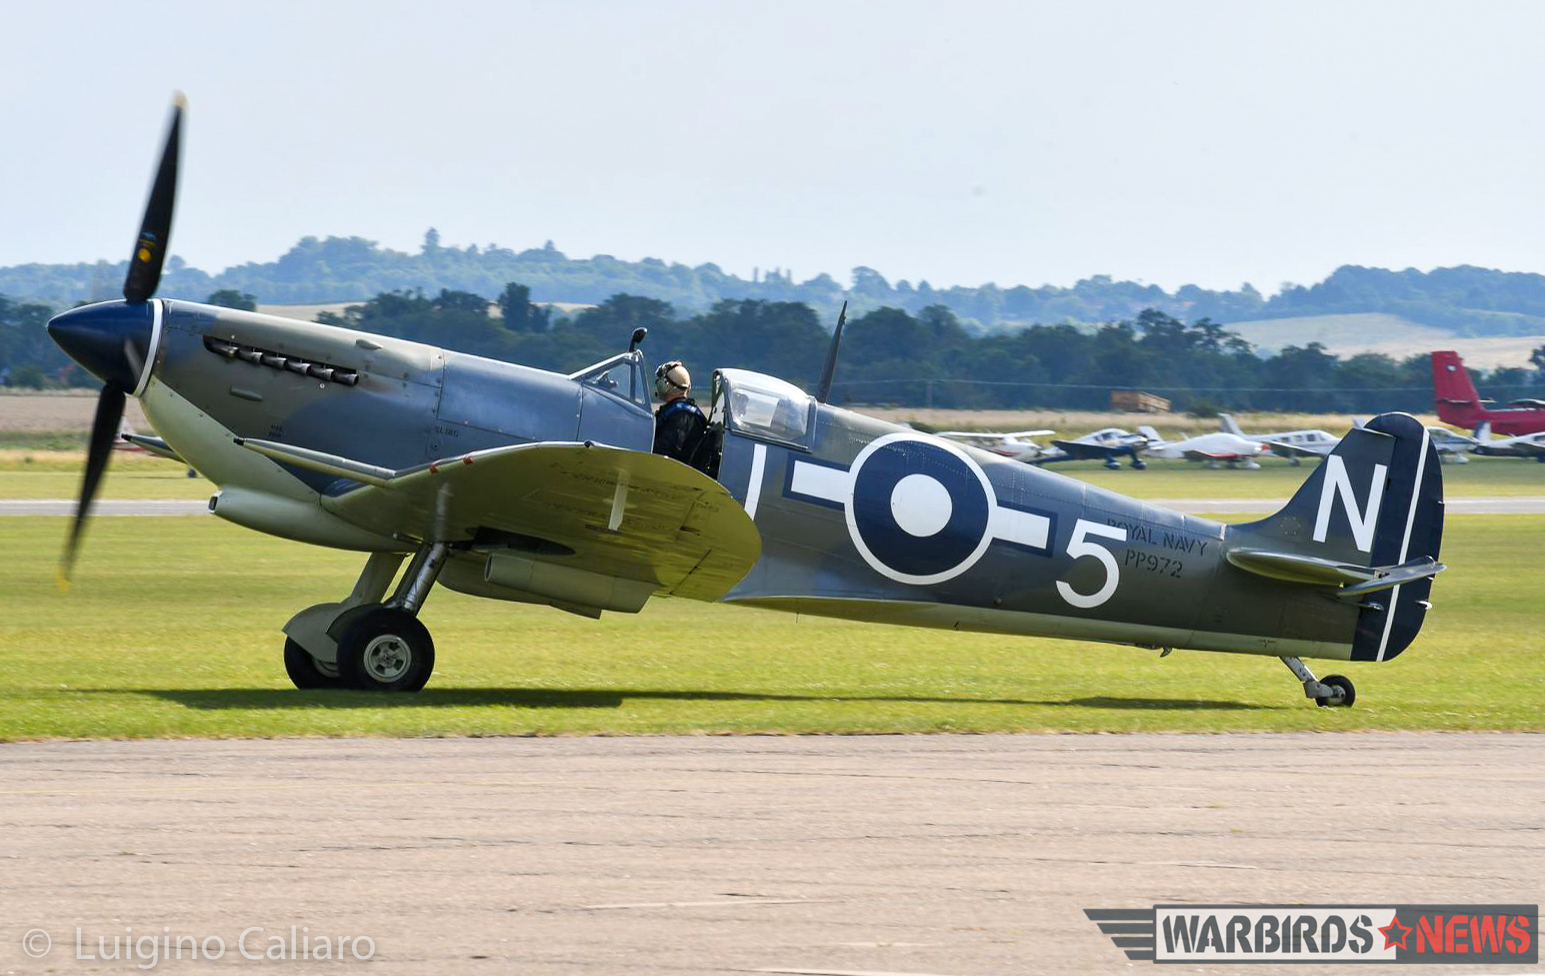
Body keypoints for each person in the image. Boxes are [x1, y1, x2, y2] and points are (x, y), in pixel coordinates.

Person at [652, 360, 707, 465]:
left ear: (667, 385)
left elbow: (665, 450)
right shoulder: (674, 410)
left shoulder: (683, 415)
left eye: (662, 381)